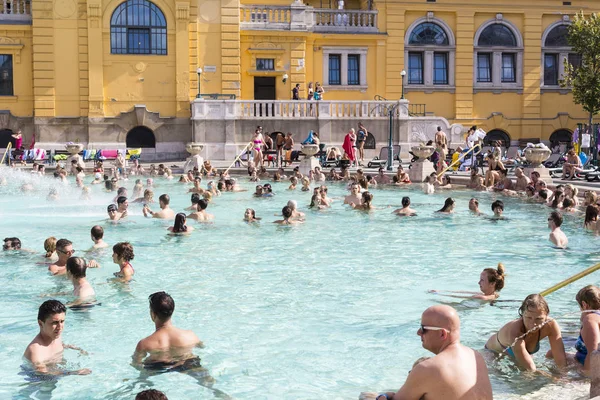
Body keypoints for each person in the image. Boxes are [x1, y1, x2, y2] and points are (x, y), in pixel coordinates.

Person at [361, 305, 492, 400]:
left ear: (442, 333)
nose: (418, 332)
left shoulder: (428, 368)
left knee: (365, 397)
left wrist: (382, 396)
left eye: (423, 328)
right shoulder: (475, 356)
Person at [485, 294, 567, 372]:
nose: (533, 324)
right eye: (528, 317)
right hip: (493, 354)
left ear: (546, 315)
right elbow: (531, 369)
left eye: (539, 319)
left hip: (518, 353)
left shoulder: (550, 325)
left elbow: (560, 359)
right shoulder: (515, 332)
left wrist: (563, 377)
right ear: (522, 314)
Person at [132, 291, 204, 371]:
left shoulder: (144, 344)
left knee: (142, 377)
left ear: (153, 314)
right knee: (206, 380)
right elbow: (202, 348)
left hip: (157, 365)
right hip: (186, 362)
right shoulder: (190, 335)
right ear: (172, 311)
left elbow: (136, 364)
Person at [23, 300, 91, 376]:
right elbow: (44, 375)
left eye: (62, 321)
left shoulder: (55, 335)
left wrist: (77, 349)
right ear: (40, 323)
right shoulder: (35, 351)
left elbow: (61, 344)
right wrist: (73, 372)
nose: (59, 327)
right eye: (54, 323)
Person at [429, 264, 506, 301]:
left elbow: (458, 296)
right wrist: (441, 291)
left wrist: (439, 295)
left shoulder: (482, 297)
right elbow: (463, 292)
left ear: (492, 284)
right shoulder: (493, 295)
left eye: (482, 280)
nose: (478, 283)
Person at [573, 285, 600, 374]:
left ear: (584, 305)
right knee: (551, 354)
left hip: (590, 368)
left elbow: (593, 354)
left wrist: (583, 379)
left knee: (551, 355)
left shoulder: (590, 319)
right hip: (586, 361)